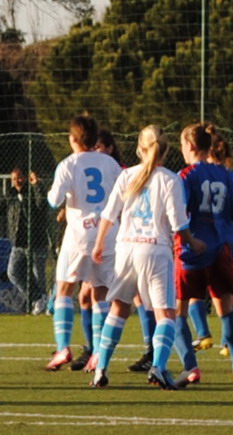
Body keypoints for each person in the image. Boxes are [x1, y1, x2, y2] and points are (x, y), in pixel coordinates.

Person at [89, 124, 206, 390]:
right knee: (166, 314)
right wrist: (193, 242)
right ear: (164, 149)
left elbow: (108, 214)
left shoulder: (127, 174)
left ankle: (101, 370)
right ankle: (159, 367)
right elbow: (179, 225)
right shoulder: (169, 179)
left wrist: (98, 244)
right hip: (155, 251)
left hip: (125, 249)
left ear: (140, 148)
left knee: (118, 308)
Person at [175, 122, 233, 387]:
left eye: (182, 145)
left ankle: (191, 368)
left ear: (191, 146)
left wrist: (185, 239)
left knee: (178, 311)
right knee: (226, 309)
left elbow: (177, 214)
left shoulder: (185, 176)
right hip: (220, 250)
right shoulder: (224, 174)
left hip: (191, 251)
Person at [45, 115, 122, 371]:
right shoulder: (110, 163)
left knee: (64, 289)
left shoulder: (68, 164)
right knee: (101, 293)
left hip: (78, 236)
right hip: (107, 234)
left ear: (72, 139)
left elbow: (54, 200)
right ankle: (98, 353)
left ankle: (63, 348)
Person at [4, 167, 52, 315]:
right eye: (13, 179)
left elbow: (41, 205)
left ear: (25, 178)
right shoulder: (12, 195)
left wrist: (37, 185)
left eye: (19, 178)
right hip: (18, 244)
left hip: (36, 242)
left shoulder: (32, 192)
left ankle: (44, 304)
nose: (16, 181)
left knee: (39, 275)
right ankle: (37, 298)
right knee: (13, 272)